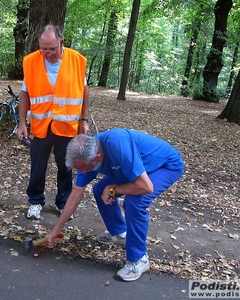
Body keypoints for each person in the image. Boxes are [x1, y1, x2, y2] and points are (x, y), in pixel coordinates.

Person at [46, 128, 184, 281]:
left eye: (85, 168)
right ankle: (119, 233)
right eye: (80, 169)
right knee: (99, 189)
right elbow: (76, 194)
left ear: (97, 156)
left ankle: (139, 259)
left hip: (164, 165)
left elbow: (146, 187)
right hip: (134, 169)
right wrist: (55, 230)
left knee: (134, 202)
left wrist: (113, 188)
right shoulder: (85, 155)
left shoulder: (118, 145)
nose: (83, 172)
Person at [17, 24, 90, 220]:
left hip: (67, 127)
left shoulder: (77, 60)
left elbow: (84, 91)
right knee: (38, 167)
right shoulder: (31, 61)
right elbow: (24, 93)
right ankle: (35, 202)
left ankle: (63, 203)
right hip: (41, 127)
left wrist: (84, 119)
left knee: (65, 167)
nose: (48, 53)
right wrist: (22, 123)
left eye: (52, 48)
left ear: (61, 42)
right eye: (44, 49)